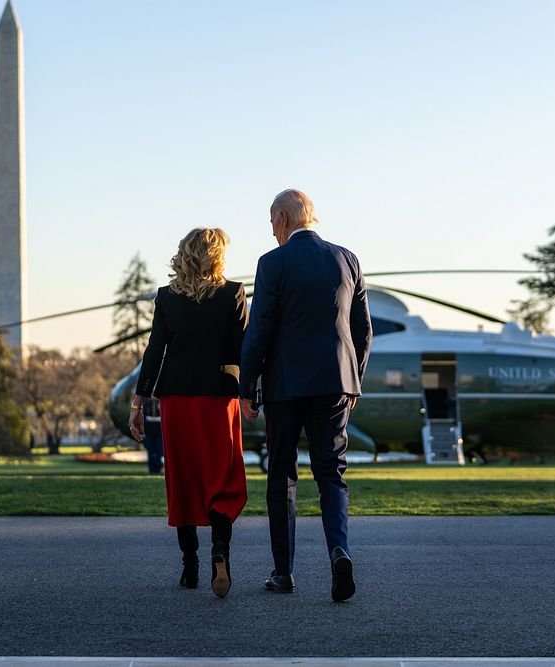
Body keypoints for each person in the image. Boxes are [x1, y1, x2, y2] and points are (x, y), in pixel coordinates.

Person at [240, 189, 372, 602]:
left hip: (285, 386)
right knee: (331, 472)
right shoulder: (347, 259)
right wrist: (355, 380)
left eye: (270, 220)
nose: (270, 230)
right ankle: (339, 550)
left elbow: (259, 329)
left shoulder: (272, 263)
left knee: (282, 475)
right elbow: (362, 330)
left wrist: (247, 388)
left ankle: (284, 572)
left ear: (283, 217)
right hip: (336, 383)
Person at [129, 227, 249, 599]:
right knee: (221, 478)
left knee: (183, 479)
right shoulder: (233, 293)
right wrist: (250, 395)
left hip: (176, 400)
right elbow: (242, 348)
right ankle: (220, 552)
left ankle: (189, 567)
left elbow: (154, 351)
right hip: (218, 398)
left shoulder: (166, 297)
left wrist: (138, 402)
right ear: (217, 256)